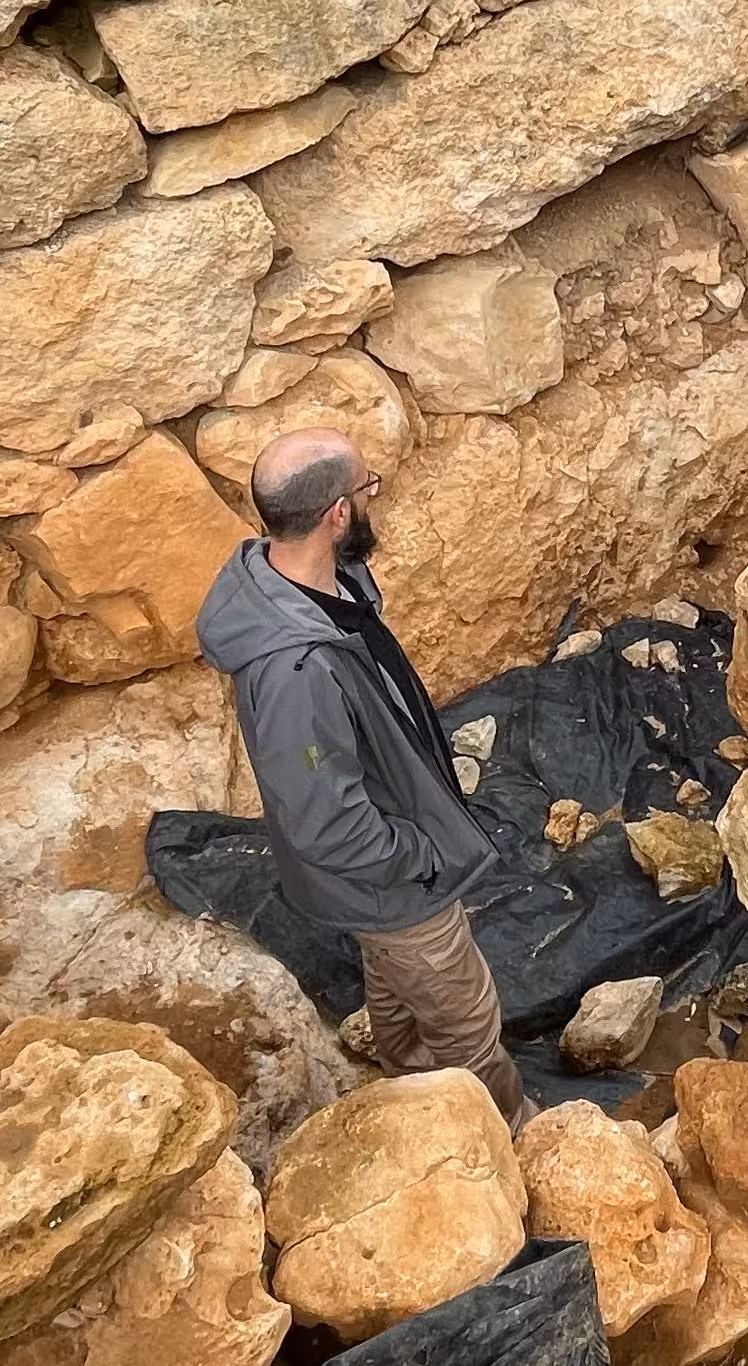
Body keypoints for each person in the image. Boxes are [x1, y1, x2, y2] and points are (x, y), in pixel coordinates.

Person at [194, 430, 525, 1121]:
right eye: (368, 488)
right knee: (468, 1022)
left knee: (393, 978)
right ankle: (503, 1134)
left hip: (381, 885)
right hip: (396, 889)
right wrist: (420, 855)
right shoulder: (295, 673)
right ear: (337, 514)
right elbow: (328, 822)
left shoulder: (315, 583)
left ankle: (406, 1082)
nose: (376, 500)